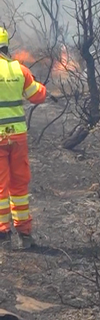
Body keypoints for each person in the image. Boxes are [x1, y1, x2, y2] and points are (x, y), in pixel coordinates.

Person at [0, 27, 47, 248]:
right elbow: (38, 95)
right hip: (17, 139)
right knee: (19, 185)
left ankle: (3, 234)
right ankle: (25, 234)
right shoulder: (19, 69)